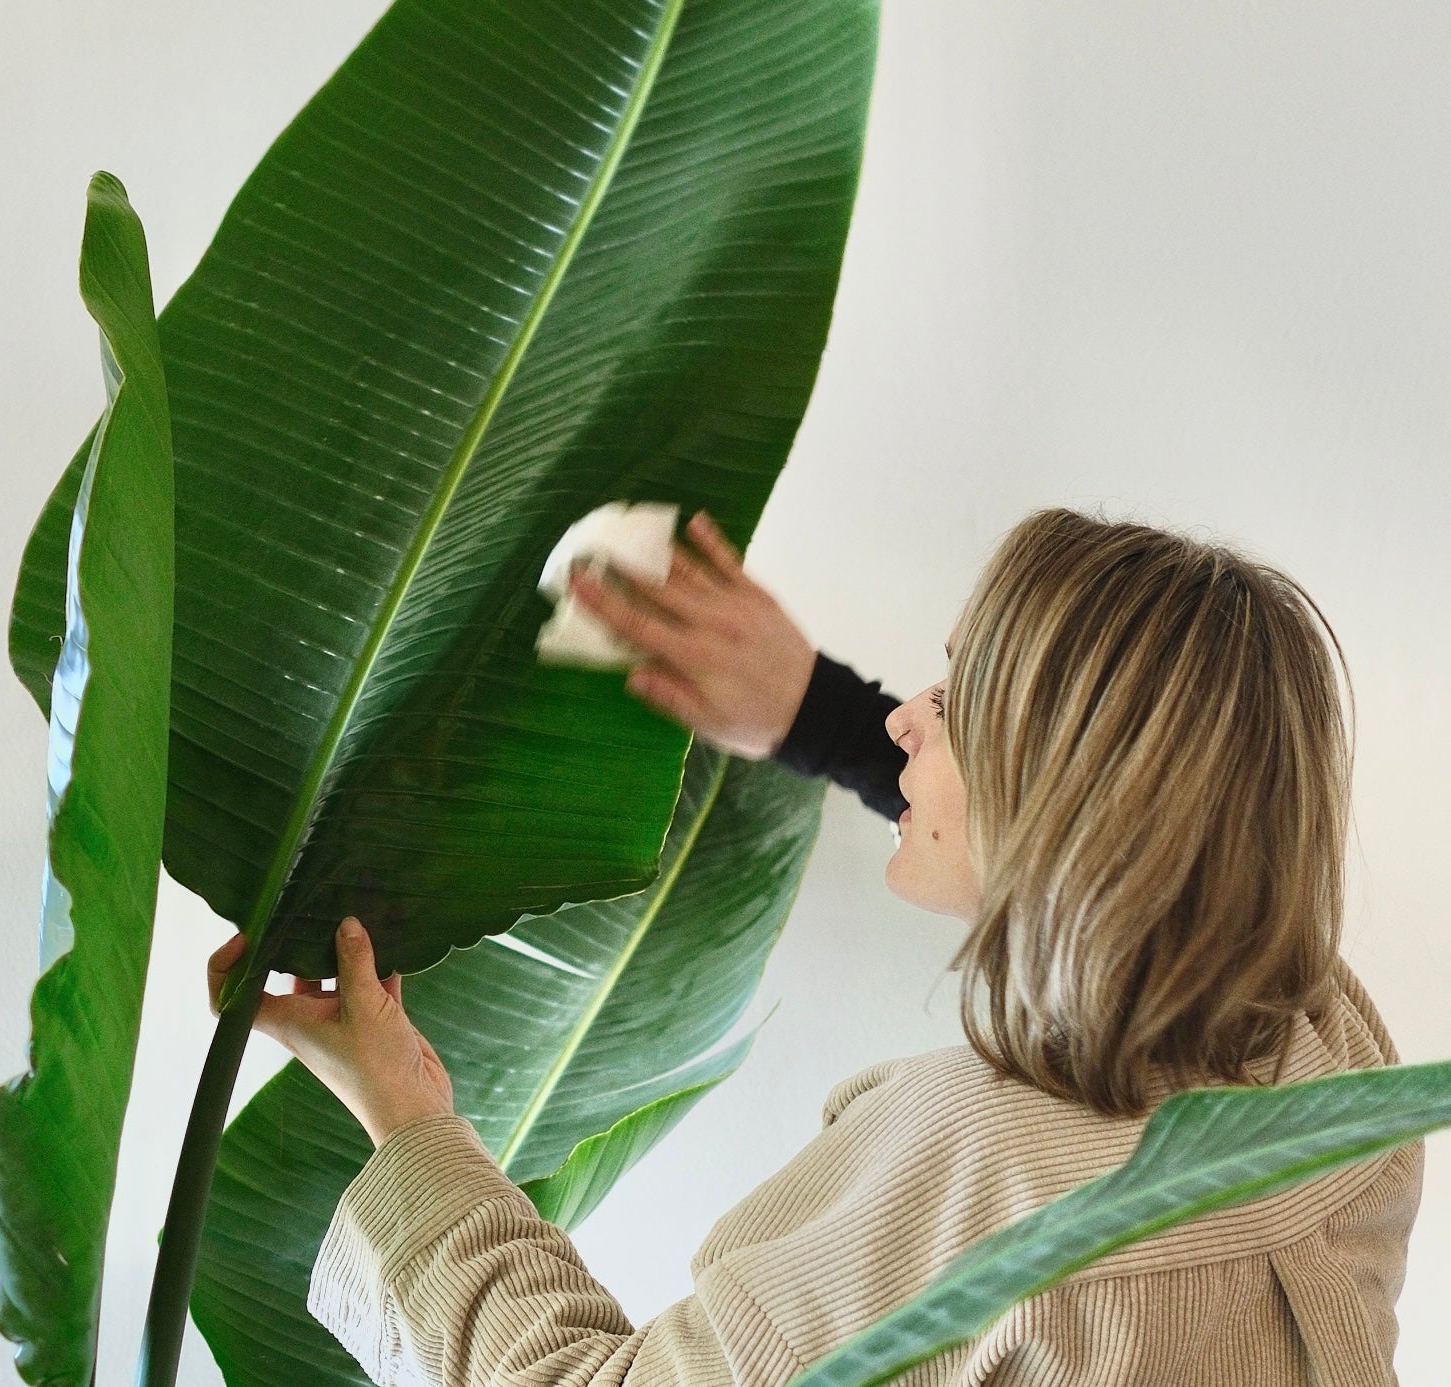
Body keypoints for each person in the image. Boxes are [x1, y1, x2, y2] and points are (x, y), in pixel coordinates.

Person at [203, 507, 1422, 1385]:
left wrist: (408, 1118)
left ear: (1059, 797)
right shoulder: (1328, 1053)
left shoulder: (985, 1186)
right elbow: (1132, 860)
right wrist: (813, 711)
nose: (905, 717)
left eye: (954, 700)